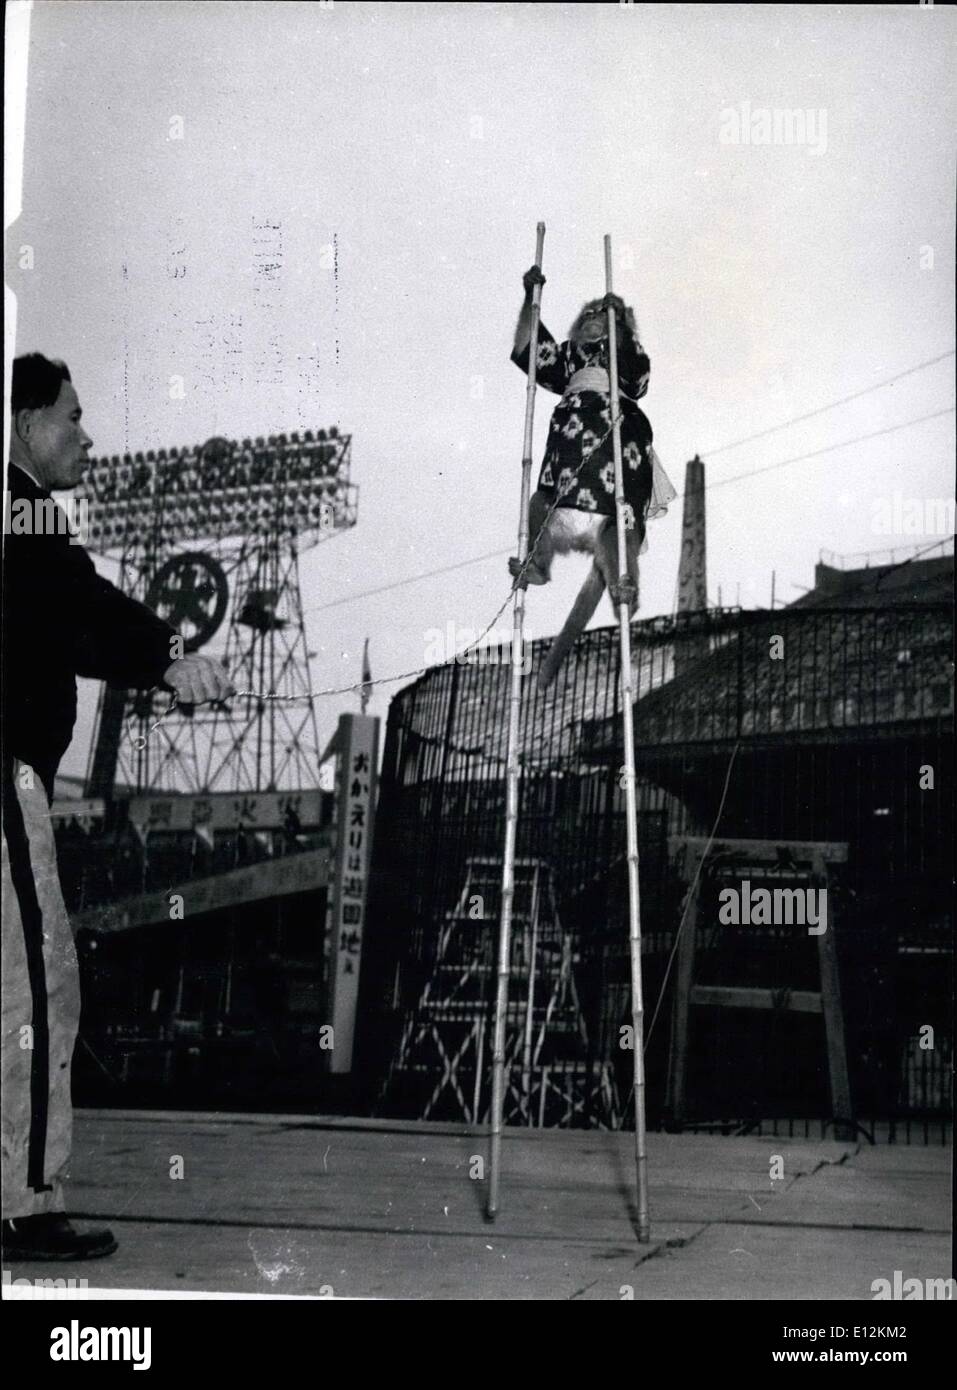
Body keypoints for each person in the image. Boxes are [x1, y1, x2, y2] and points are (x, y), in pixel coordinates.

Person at [1, 353, 234, 1261]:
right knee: (38, 981)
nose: (86, 433)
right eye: (70, 415)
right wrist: (167, 656)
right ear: (24, 423)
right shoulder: (22, 514)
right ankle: (23, 1204)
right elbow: (73, 605)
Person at [508, 265, 676, 687]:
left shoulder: (627, 359)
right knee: (541, 502)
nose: (593, 319)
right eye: (587, 314)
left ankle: (624, 585)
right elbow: (531, 351)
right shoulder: (568, 356)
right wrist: (531, 300)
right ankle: (538, 563)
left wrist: (620, 326)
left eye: (603, 315)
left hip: (616, 439)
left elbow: (638, 378)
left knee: (616, 524)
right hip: (569, 443)